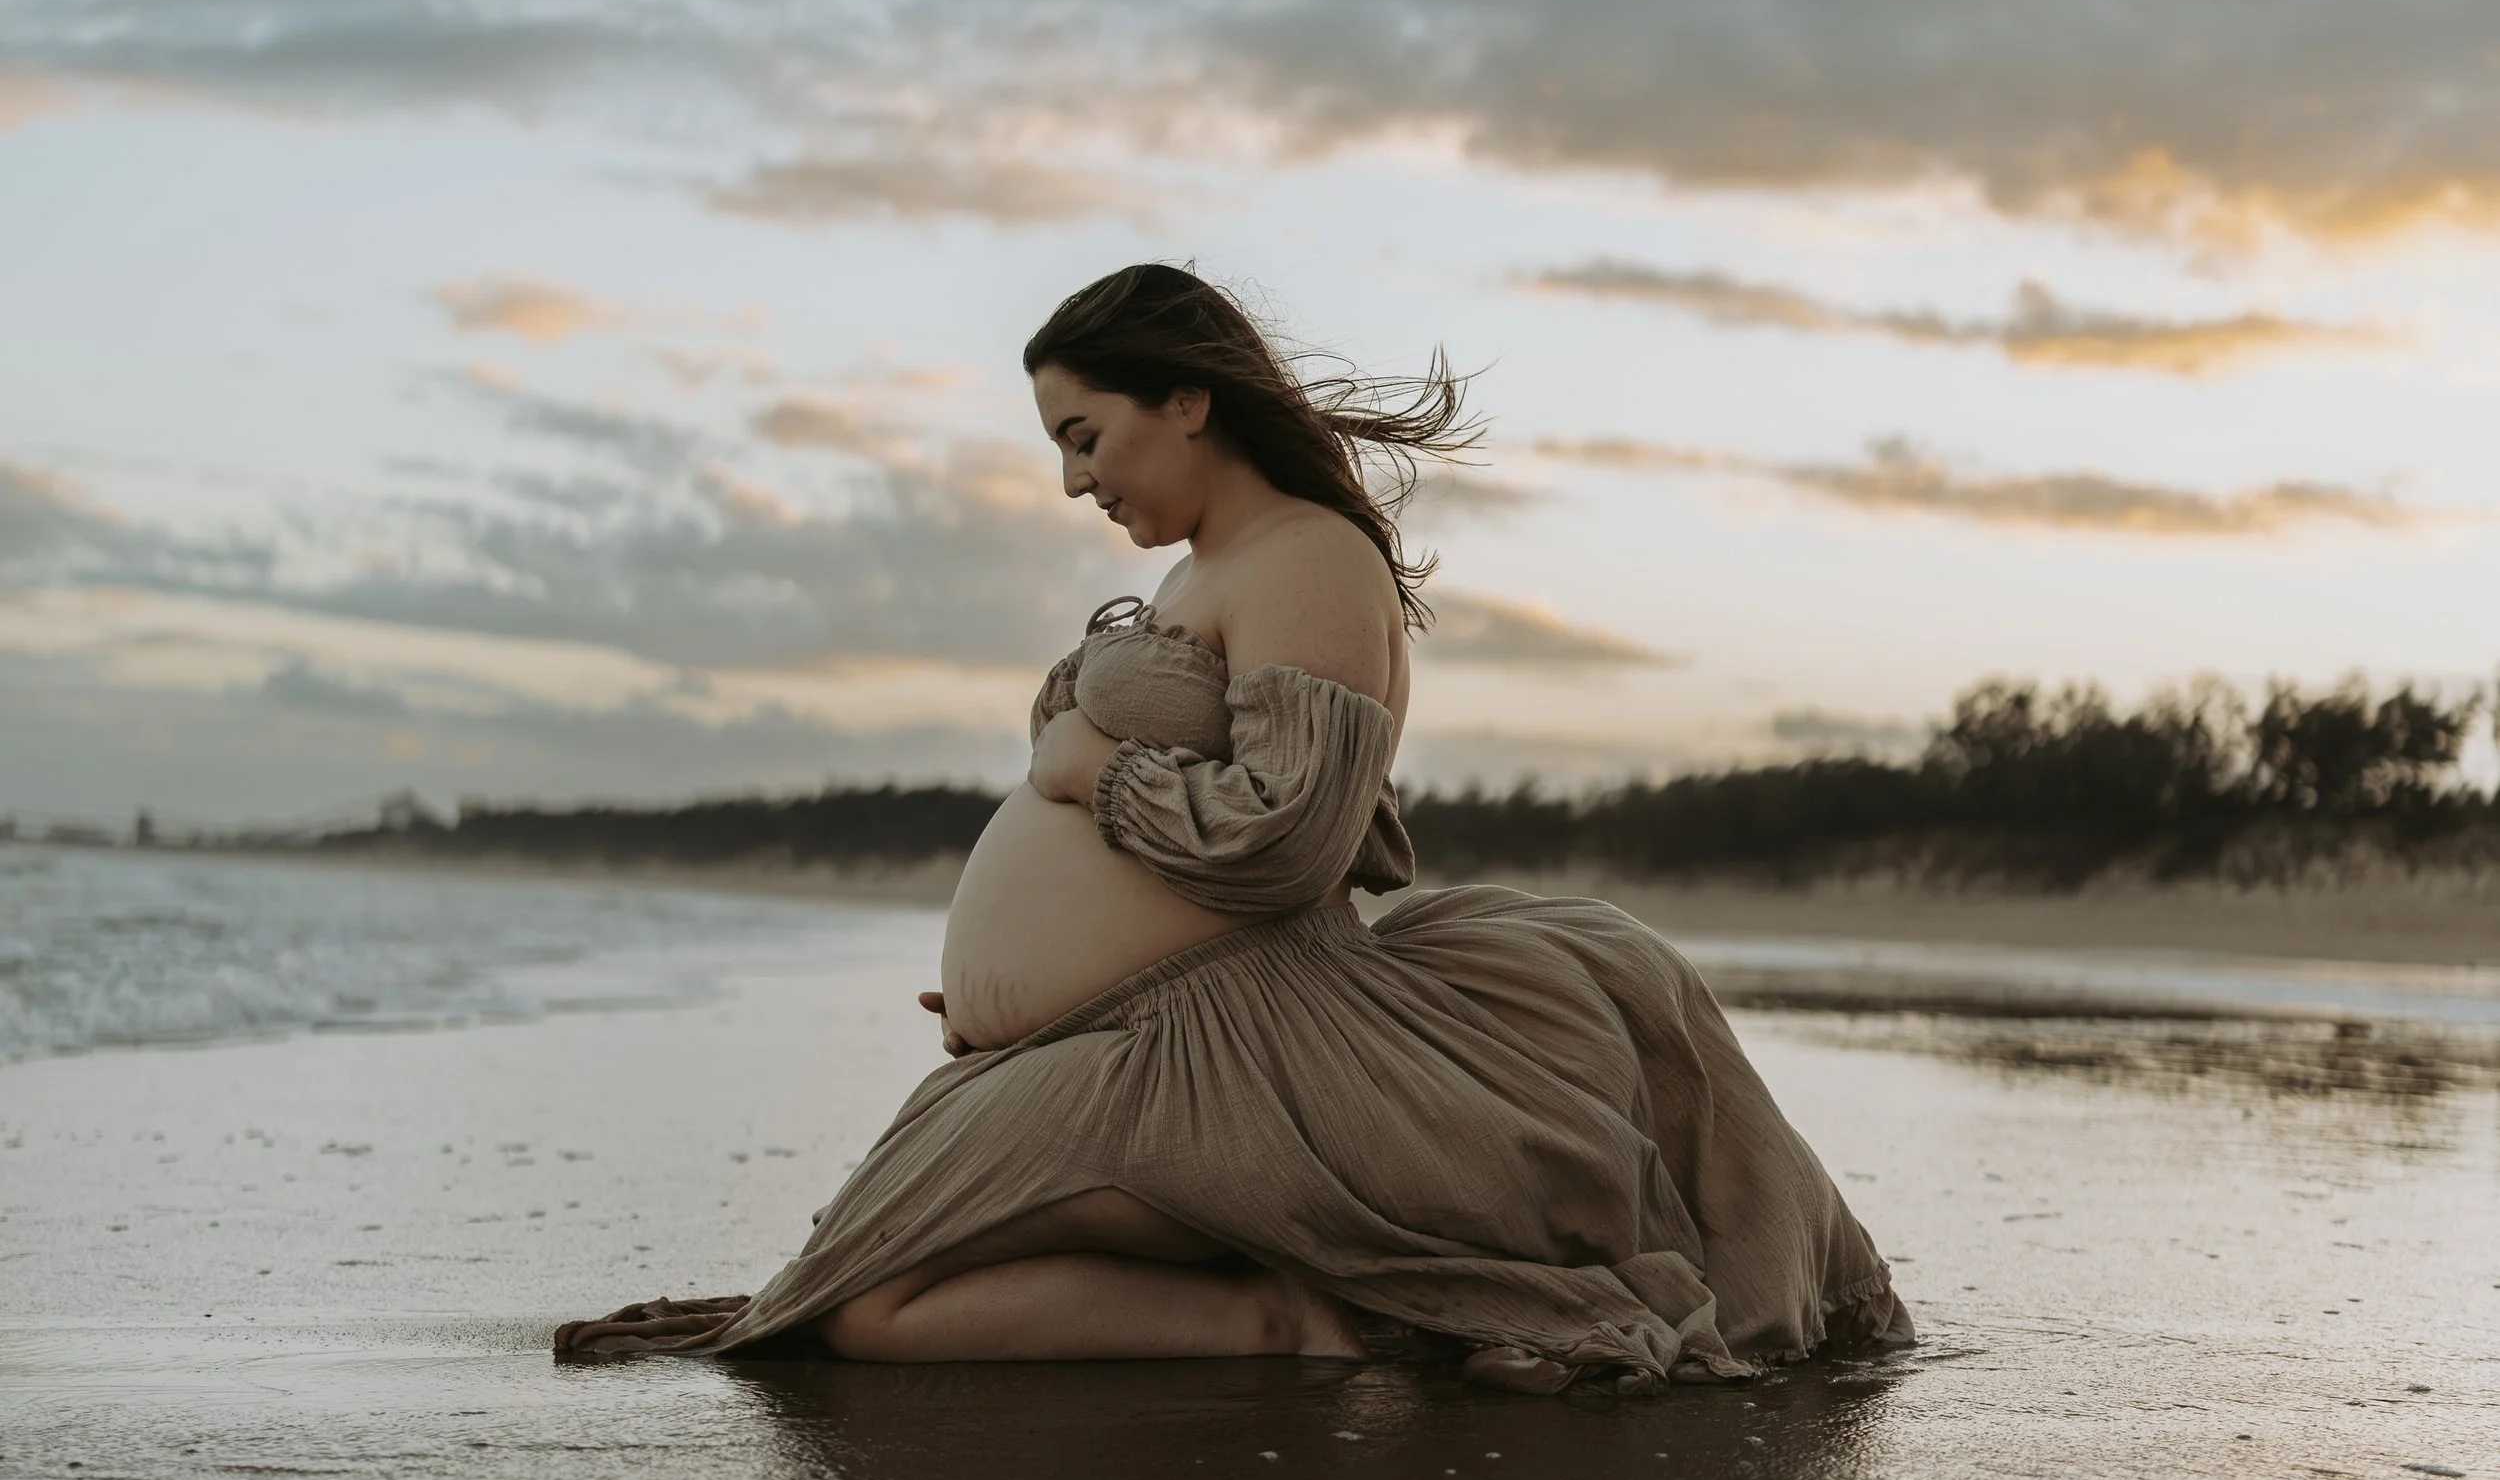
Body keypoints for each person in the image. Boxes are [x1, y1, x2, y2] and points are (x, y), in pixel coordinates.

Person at [554, 263, 1911, 1394]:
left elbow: (1290, 839)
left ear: (1188, 400)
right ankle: (1284, 1296)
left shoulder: (1309, 559)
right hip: (1142, 1036)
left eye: (1085, 436)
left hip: (1232, 1056)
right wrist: (1030, 992)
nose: (1075, 482)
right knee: (872, 1288)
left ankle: (1301, 1319)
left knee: (874, 1306)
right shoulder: (1209, 570)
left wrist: (1091, 777)